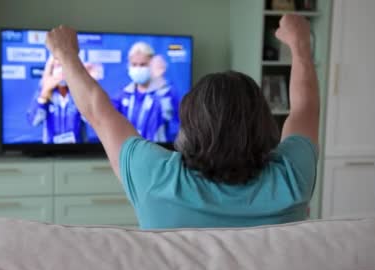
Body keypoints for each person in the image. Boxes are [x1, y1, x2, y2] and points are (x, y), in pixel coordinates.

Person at [45, 14, 319, 229]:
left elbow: (97, 112)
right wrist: (301, 45)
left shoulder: (154, 176)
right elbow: (306, 107)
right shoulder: (292, 177)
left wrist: (66, 54)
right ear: (264, 124)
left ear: (189, 126)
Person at [113, 42, 177, 142]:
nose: (138, 69)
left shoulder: (165, 93)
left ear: (152, 65)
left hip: (157, 152)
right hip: (129, 153)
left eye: (143, 65)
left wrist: (160, 83)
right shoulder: (123, 95)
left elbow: (171, 121)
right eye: (134, 64)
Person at [27, 56, 83, 144]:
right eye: (58, 66)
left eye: (65, 66)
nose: (61, 71)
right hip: (50, 152)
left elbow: (93, 121)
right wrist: (43, 95)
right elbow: (34, 121)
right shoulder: (43, 91)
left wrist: (87, 89)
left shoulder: (79, 92)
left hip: (77, 152)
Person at [149, 54, 180, 141]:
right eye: (154, 65)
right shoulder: (144, 92)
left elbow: (176, 121)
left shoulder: (171, 93)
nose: (157, 68)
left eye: (160, 65)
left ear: (164, 68)